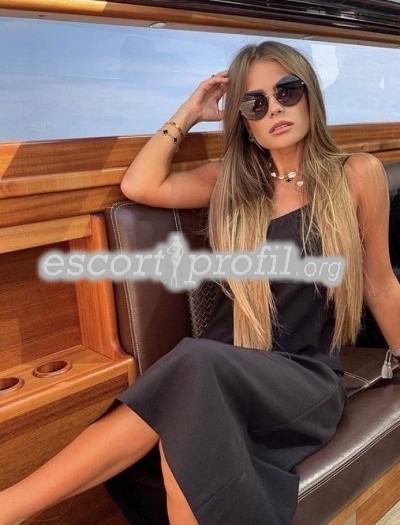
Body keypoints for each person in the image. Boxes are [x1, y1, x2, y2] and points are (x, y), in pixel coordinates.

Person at [1, 41, 400, 525]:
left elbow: (380, 284)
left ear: (310, 94)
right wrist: (190, 112)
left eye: (286, 91)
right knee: (191, 395)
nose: (274, 108)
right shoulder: (231, 182)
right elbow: (140, 185)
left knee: (192, 371)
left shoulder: (355, 174)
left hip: (301, 377)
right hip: (219, 370)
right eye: (254, 103)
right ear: (245, 123)